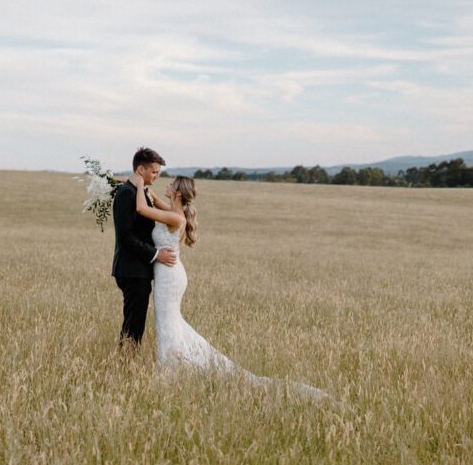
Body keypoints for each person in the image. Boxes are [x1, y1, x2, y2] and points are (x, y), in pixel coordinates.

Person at [127, 172, 328, 400]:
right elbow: (151, 197)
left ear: (178, 192)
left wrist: (141, 184)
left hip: (170, 277)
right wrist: (132, 183)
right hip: (168, 274)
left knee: (167, 323)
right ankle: (174, 368)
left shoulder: (176, 217)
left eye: (171, 184)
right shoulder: (173, 211)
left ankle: (169, 374)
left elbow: (143, 209)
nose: (167, 183)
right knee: (170, 322)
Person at [111, 147, 178, 352]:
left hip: (139, 269)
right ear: (141, 170)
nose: (157, 176)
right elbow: (125, 237)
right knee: (134, 323)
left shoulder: (140, 192)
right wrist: (156, 255)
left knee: (136, 321)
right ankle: (126, 366)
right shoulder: (126, 194)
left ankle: (128, 363)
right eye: (154, 172)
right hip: (132, 270)